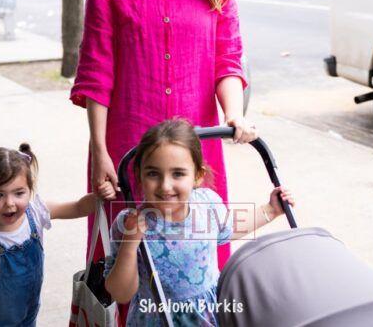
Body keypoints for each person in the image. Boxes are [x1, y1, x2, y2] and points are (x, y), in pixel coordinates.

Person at [70, 0, 256, 270]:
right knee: (124, 259)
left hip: (195, 147)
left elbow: (227, 60)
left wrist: (234, 115)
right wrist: (99, 150)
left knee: (196, 261)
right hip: (127, 148)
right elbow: (96, 71)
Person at [104, 119, 295, 326]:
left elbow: (229, 228)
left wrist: (270, 210)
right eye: (153, 174)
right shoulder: (129, 223)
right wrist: (130, 244)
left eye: (178, 174)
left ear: (197, 176)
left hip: (208, 316)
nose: (165, 186)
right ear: (139, 176)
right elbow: (120, 293)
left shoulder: (206, 204)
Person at [0, 143, 113, 327]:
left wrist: (99, 197)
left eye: (19, 193)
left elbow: (78, 207)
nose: (9, 203)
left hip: (29, 313)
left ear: (30, 189)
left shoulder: (36, 213)